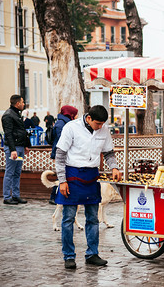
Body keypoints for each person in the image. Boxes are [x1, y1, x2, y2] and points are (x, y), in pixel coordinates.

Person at [55, 105, 121, 269]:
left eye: (102, 124)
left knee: (93, 218)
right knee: (68, 219)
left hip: (91, 176)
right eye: (98, 123)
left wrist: (114, 167)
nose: (100, 127)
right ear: (89, 118)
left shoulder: (104, 129)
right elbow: (60, 155)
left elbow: (108, 153)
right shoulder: (71, 128)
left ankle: (92, 253)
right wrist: (62, 180)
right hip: (72, 176)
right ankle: (69, 256)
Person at [1, 95, 31, 205]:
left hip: (19, 147)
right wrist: (12, 149)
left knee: (17, 172)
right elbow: (8, 134)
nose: (24, 104)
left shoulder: (16, 114)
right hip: (12, 149)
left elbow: (21, 131)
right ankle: (7, 196)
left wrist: (25, 145)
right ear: (17, 103)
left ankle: (16, 195)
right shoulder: (8, 115)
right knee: (10, 172)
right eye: (22, 102)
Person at [48, 105, 79, 205]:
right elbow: (63, 141)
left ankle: (56, 196)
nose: (77, 116)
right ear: (71, 114)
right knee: (61, 176)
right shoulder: (61, 124)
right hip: (61, 153)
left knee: (62, 175)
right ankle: (54, 197)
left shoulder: (65, 122)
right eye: (75, 114)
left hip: (64, 153)